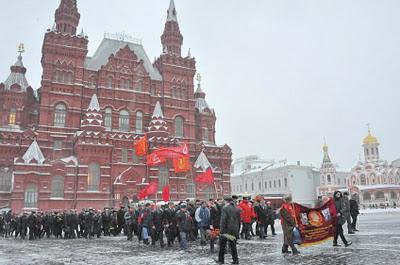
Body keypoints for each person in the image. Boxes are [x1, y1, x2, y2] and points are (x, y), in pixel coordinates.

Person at [217, 196, 240, 265]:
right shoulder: (237, 208)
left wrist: (221, 231)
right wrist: (238, 230)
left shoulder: (225, 208)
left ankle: (221, 260)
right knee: (233, 246)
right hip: (234, 230)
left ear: (227, 201)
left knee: (222, 246)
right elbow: (239, 221)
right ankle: (235, 260)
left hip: (226, 231)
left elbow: (223, 220)